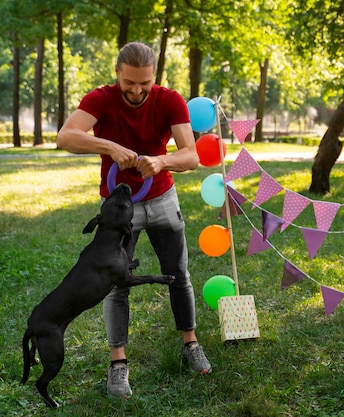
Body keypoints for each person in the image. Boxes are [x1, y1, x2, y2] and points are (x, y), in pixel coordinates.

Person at [57, 41, 211, 398]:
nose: (137, 90)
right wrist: (109, 146)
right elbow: (66, 135)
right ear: (117, 74)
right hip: (117, 209)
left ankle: (190, 344)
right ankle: (117, 364)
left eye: (144, 83)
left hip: (161, 198)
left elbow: (190, 156)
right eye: (130, 82)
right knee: (116, 283)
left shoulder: (169, 100)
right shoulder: (100, 98)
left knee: (179, 273)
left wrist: (161, 161)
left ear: (153, 76)